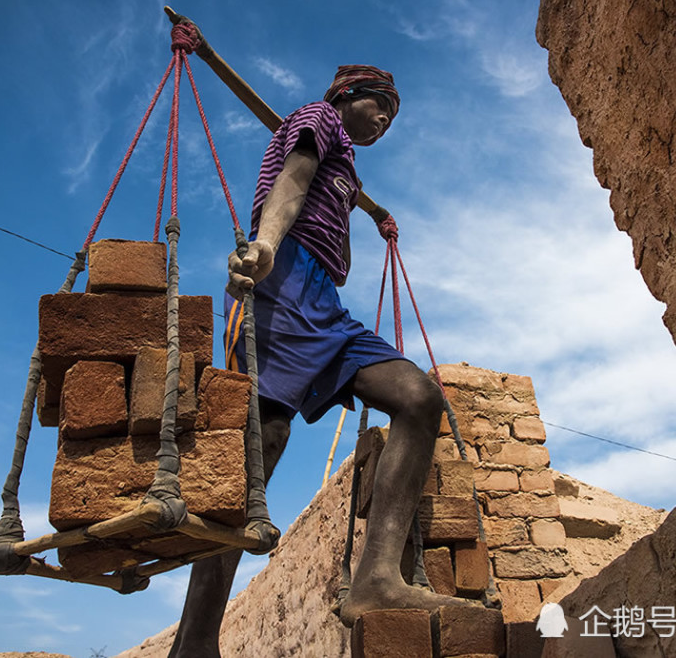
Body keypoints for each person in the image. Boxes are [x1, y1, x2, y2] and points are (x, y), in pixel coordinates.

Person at [167, 65, 471, 657]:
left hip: (326, 303)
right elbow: (294, 177)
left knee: (418, 397)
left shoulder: (348, 167)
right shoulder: (318, 116)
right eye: (381, 105)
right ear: (347, 96)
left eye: (393, 114)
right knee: (259, 449)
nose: (386, 120)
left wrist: (371, 213)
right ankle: (195, 641)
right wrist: (266, 246)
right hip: (282, 284)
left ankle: (376, 581)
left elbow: (329, 188)